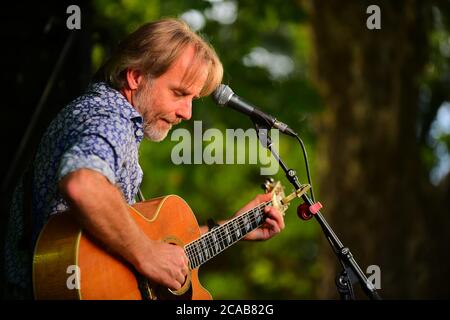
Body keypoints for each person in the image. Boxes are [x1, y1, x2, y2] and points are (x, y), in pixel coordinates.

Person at [3, 18, 285, 299]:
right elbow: (83, 184)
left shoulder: (107, 116)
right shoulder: (110, 119)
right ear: (136, 76)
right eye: (178, 93)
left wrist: (230, 227)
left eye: (193, 99)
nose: (187, 113)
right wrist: (146, 253)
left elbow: (143, 249)